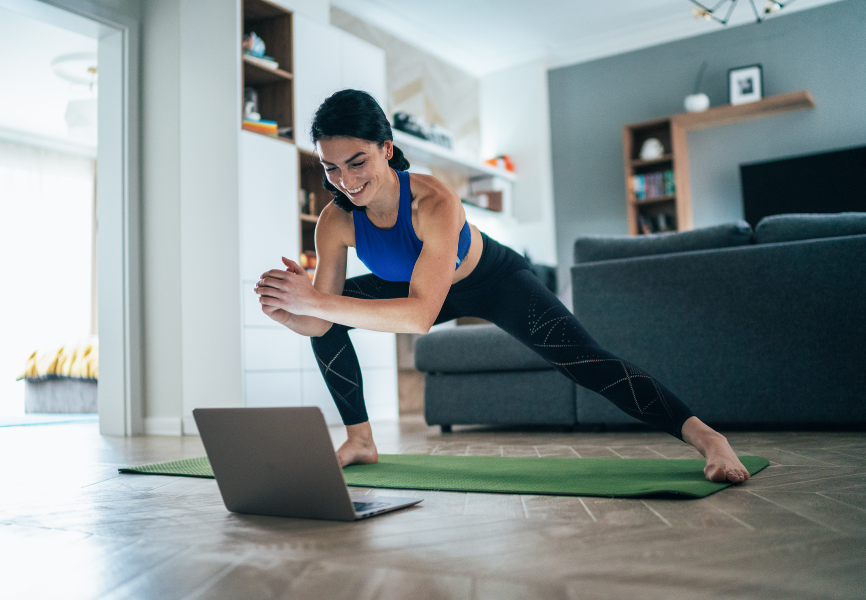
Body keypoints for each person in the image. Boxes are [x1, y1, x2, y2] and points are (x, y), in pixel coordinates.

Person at [253, 89, 750, 484]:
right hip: (417, 288)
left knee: (586, 361)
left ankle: (709, 439)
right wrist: (296, 312)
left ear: (386, 148)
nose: (343, 180)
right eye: (330, 167)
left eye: (356, 161)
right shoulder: (334, 221)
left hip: (492, 280)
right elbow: (323, 320)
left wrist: (318, 301)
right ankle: (360, 440)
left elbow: (421, 316)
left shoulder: (434, 202)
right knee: (328, 325)